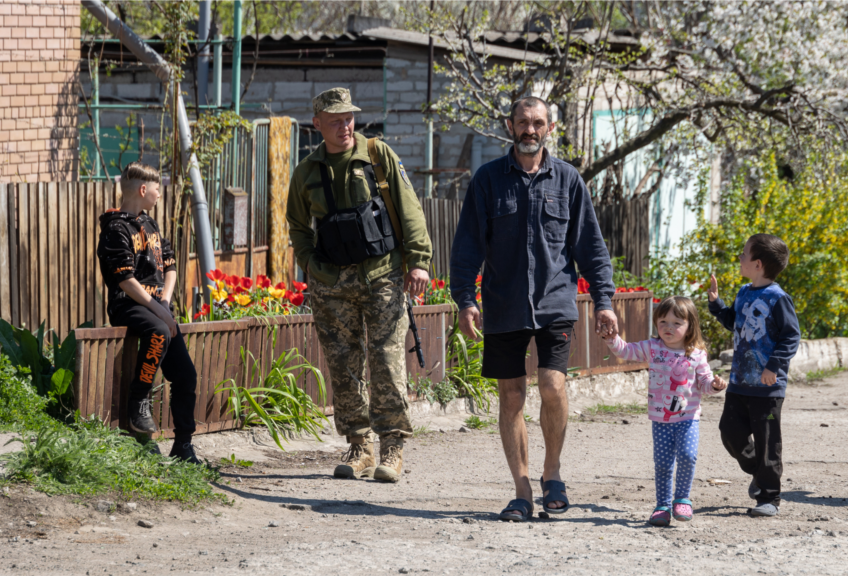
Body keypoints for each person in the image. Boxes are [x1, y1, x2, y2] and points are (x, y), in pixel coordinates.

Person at [450, 96, 618, 522]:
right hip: (505, 304)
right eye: (523, 122)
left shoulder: (568, 180)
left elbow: (591, 247)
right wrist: (466, 299)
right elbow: (467, 245)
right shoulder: (488, 181)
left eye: (538, 122)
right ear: (510, 125)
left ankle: (552, 472)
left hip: (555, 300)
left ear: (550, 127)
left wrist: (604, 301)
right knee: (511, 395)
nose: (530, 129)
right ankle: (521, 490)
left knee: (552, 385)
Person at [286, 87, 433, 483]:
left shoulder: (377, 155)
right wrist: (310, 265)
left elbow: (409, 206)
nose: (344, 124)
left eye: (349, 117)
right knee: (343, 364)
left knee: (386, 360)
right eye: (335, 119)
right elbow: (298, 228)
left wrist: (418, 261)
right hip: (331, 282)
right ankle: (359, 446)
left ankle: (393, 447)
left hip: (382, 273)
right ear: (317, 124)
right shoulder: (306, 172)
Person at [96, 162, 200, 464]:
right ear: (143, 190)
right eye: (156, 189)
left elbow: (170, 265)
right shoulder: (116, 229)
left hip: (158, 308)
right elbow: (125, 280)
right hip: (128, 305)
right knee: (157, 331)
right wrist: (157, 310)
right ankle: (138, 399)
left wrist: (165, 305)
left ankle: (183, 446)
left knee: (186, 375)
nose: (158, 194)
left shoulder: (150, 225)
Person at [604, 296, 727, 527]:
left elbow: (705, 382)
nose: (668, 328)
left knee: (688, 457)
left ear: (690, 326)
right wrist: (612, 339)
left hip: (688, 418)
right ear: (656, 323)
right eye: (663, 322)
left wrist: (716, 386)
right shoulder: (652, 348)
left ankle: (682, 499)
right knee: (662, 463)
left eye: (676, 323)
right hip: (660, 419)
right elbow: (626, 351)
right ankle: (662, 506)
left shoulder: (697, 354)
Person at [707, 233, 801, 517]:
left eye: (744, 253)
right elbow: (735, 322)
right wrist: (717, 305)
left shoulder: (778, 298)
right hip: (739, 383)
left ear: (758, 264)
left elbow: (791, 336)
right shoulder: (744, 292)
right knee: (730, 433)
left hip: (767, 388)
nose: (739, 257)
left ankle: (769, 498)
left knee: (767, 442)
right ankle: (758, 473)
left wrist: (773, 366)